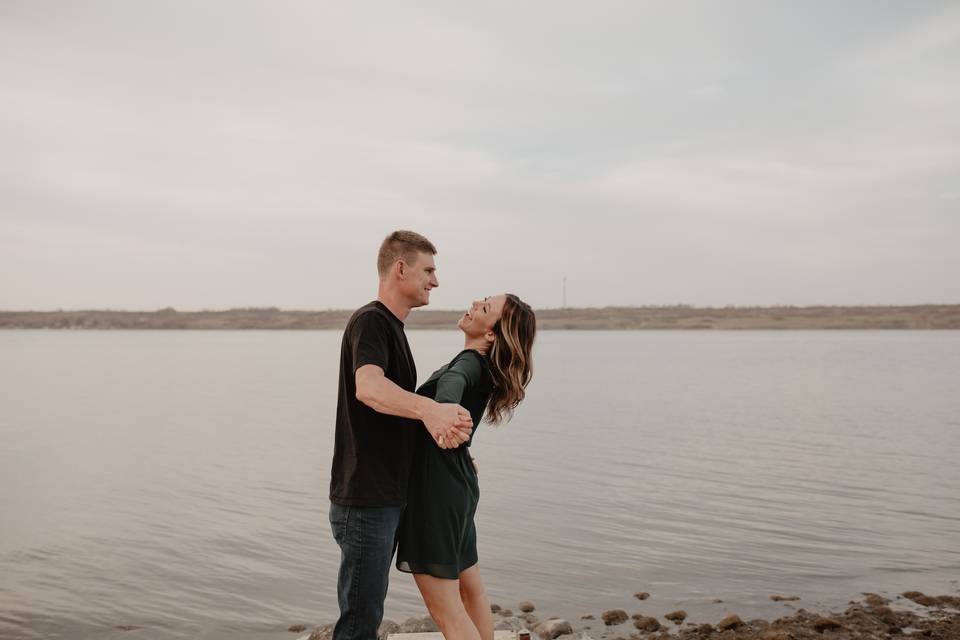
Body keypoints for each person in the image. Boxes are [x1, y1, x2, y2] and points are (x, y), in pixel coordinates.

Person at [329, 230, 475, 640]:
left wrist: (451, 450)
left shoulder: (392, 327)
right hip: (365, 501)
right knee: (359, 623)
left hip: (384, 498)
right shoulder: (372, 320)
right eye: (428, 270)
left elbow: (391, 417)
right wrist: (431, 410)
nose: (435, 281)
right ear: (400, 268)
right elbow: (369, 388)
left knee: (367, 616)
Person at [396, 293, 537, 640]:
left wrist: (442, 413)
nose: (475, 303)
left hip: (436, 491)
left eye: (485, 308)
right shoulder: (482, 367)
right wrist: (454, 434)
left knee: (445, 610)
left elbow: (450, 386)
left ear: (491, 334)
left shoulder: (470, 363)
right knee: (471, 591)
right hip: (457, 484)